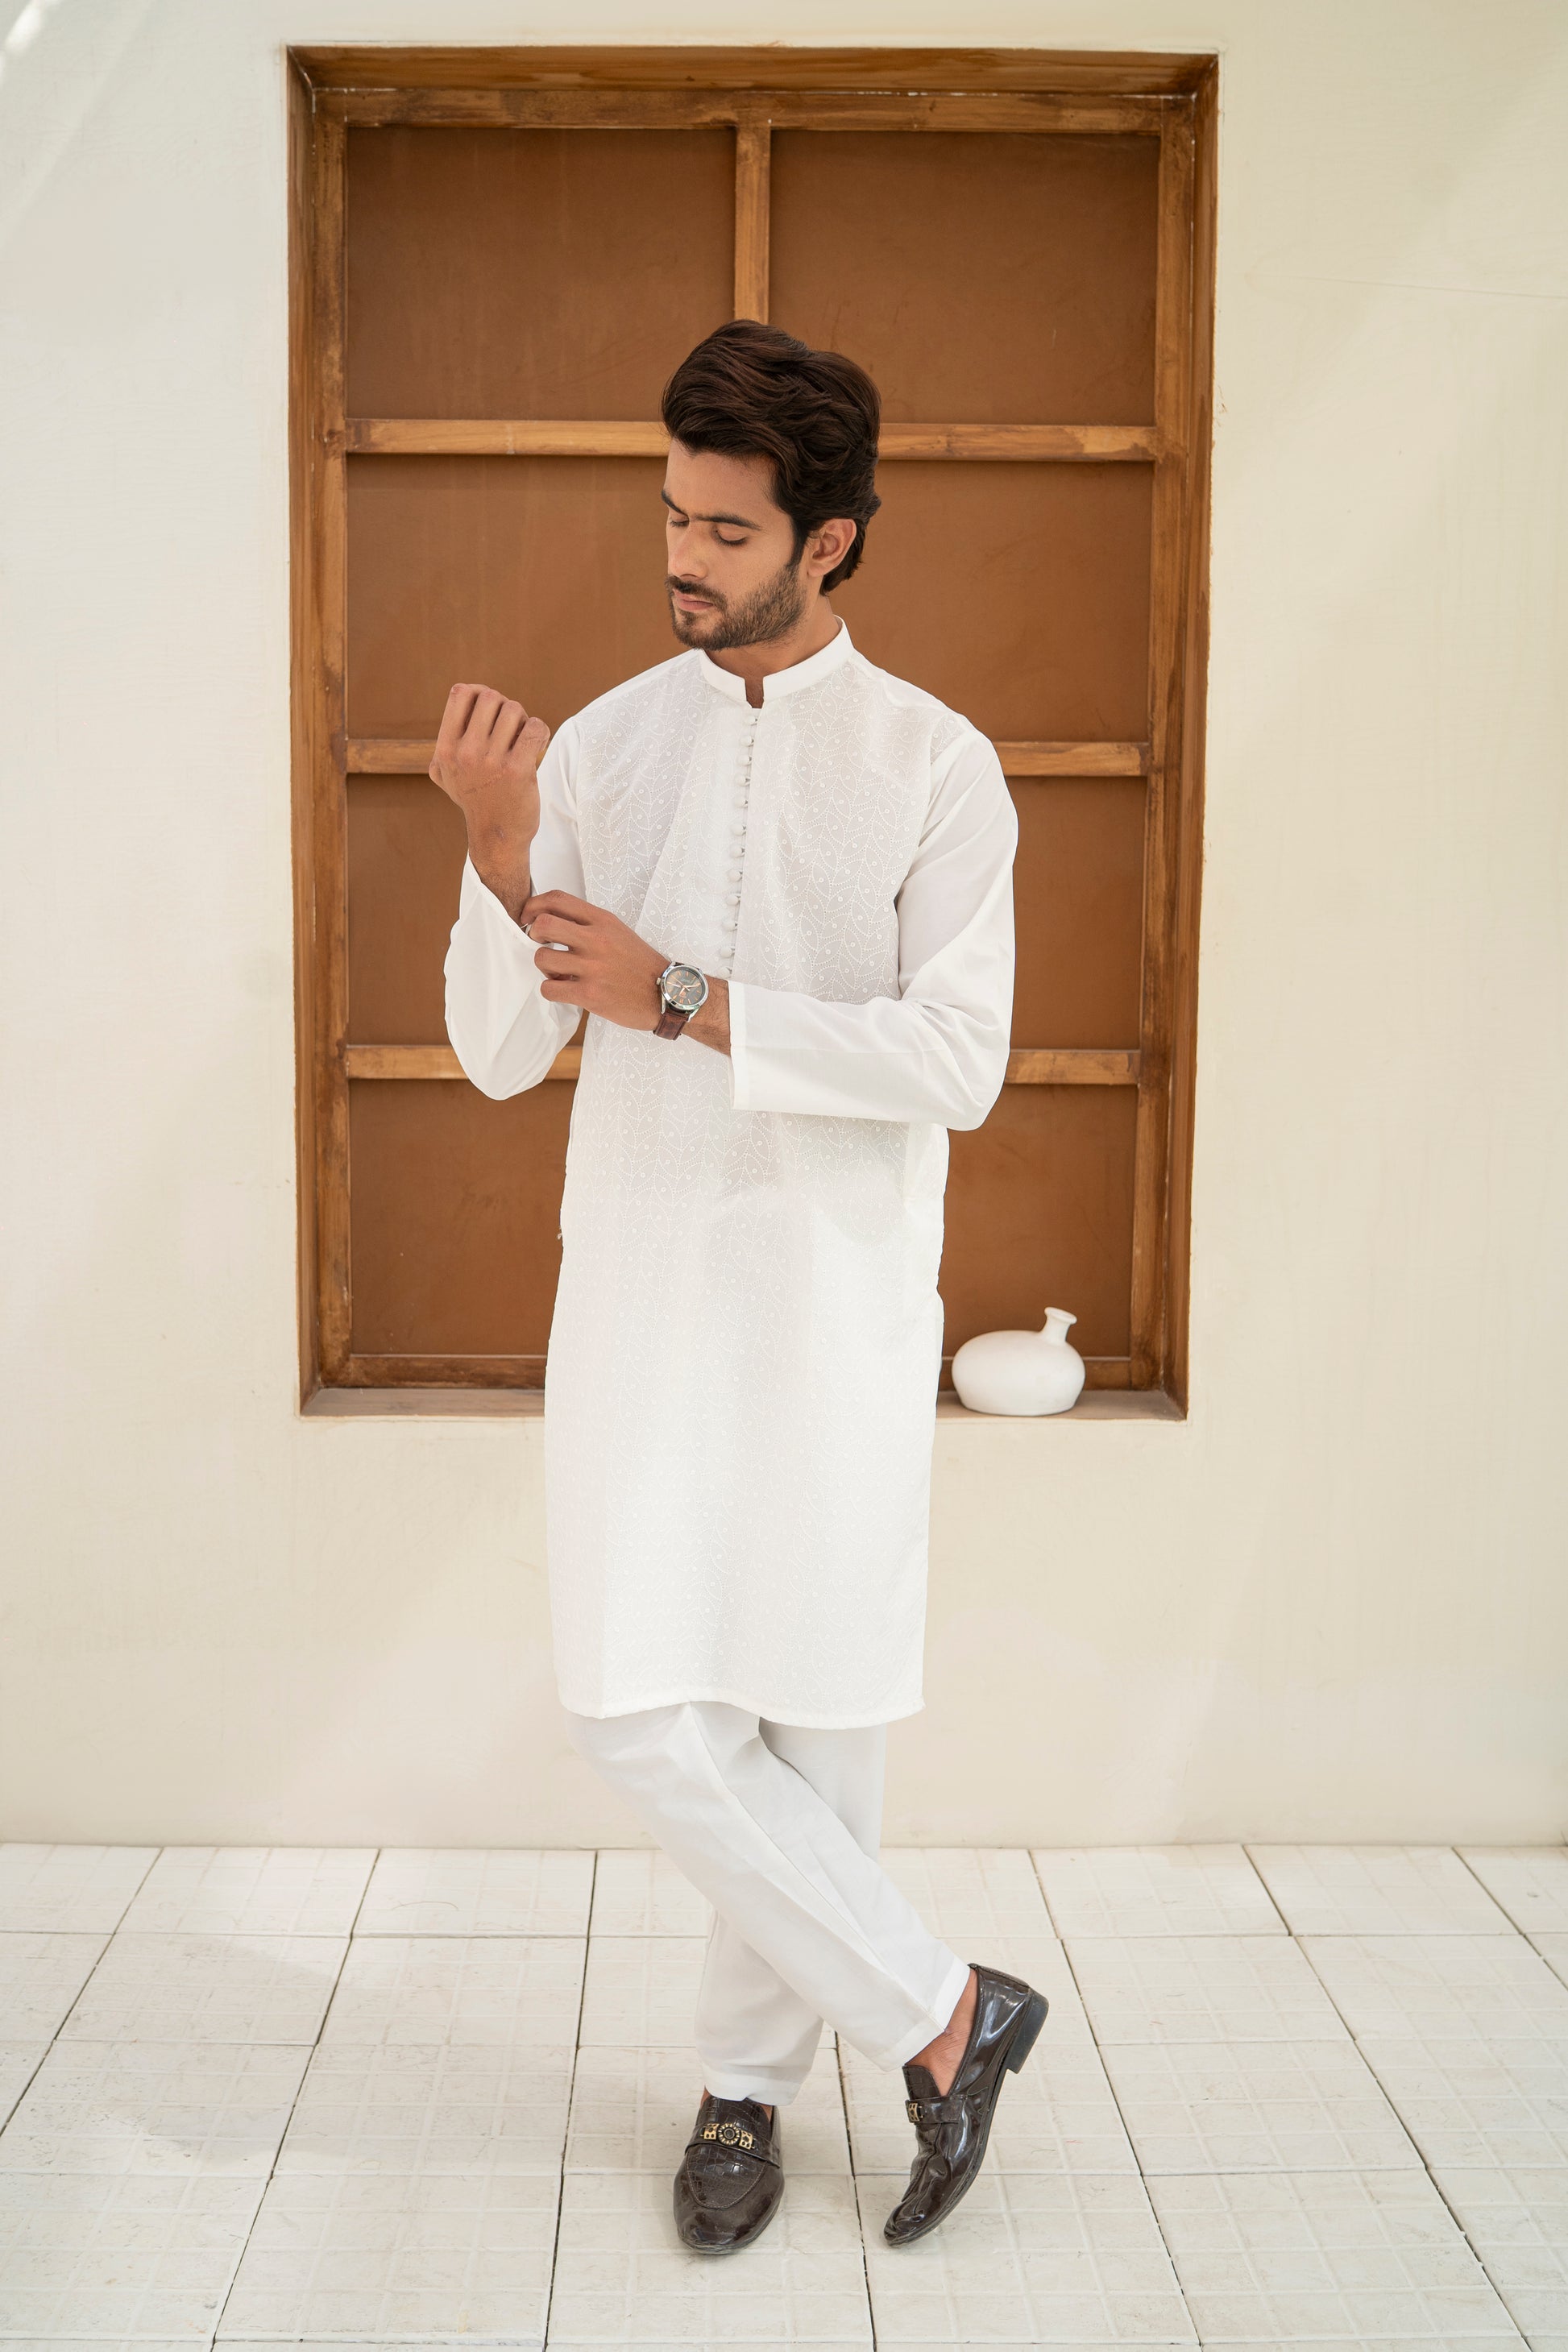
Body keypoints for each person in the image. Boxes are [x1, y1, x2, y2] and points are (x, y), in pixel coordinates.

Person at [437, 319, 1046, 2253]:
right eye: (672, 517)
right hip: (640, 1288)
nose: (682, 558)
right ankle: (944, 2008)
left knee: (817, 1717)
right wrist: (499, 856)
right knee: (638, 1701)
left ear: (829, 538)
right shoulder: (608, 746)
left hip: (832, 1301)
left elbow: (954, 1059)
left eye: (723, 528)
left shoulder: (935, 766)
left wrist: (685, 995)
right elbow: (499, 1050)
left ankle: (744, 2092)